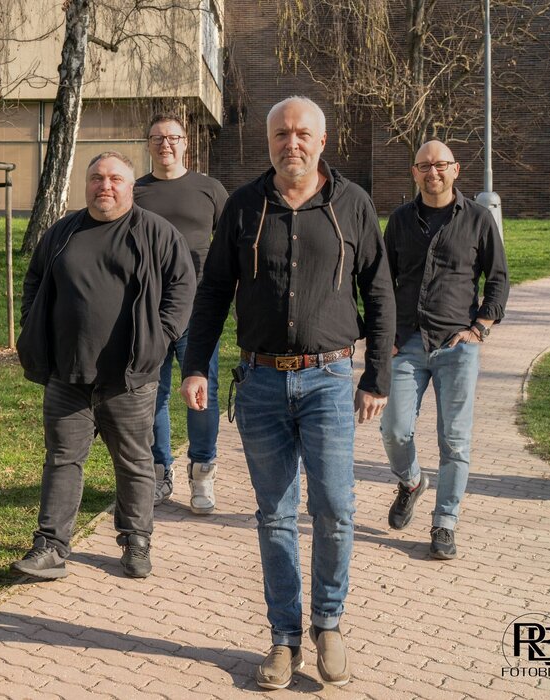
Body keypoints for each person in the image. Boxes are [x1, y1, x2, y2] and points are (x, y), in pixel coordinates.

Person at [180, 97, 395, 689]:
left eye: (302, 133)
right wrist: (196, 366)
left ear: (322, 141)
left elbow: (379, 292)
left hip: (329, 379)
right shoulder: (244, 206)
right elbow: (213, 290)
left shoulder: (352, 204)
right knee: (275, 514)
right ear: (269, 141)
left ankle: (329, 623)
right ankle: (284, 638)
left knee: (335, 507)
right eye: (281, 134)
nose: (291, 143)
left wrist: (377, 375)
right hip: (260, 383)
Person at [11, 152, 196, 580]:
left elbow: (182, 288)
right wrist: (31, 321)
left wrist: (160, 338)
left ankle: (136, 541)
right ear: (87, 183)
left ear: (131, 186)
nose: (105, 186)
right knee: (62, 460)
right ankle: (51, 547)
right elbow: (35, 279)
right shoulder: (63, 231)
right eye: (97, 178)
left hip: (128, 379)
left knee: (134, 463)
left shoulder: (156, 233)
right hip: (67, 375)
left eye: (115, 178)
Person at [381, 140, 509, 560]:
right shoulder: (400, 220)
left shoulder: (477, 219)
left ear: (455, 169)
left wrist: (480, 328)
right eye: (424, 166)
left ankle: (445, 523)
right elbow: (382, 281)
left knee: (454, 440)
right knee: (394, 429)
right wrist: (386, 334)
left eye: (440, 165)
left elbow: (498, 278)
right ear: (414, 172)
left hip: (457, 345)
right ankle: (412, 481)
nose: (432, 172)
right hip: (407, 342)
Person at [134, 112, 228, 514]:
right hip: (146, 312)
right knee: (151, 393)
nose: (165, 144)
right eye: (157, 138)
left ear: (186, 143)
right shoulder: (135, 191)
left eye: (173, 137)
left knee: (202, 393)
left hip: (198, 312)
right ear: (148, 144)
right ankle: (159, 473)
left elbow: (231, 246)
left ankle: (202, 474)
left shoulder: (210, 189)